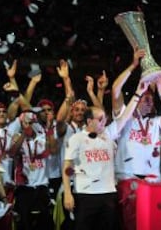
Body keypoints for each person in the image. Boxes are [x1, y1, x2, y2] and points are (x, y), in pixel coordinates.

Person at [62, 80, 150, 230]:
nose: (105, 121)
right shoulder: (76, 139)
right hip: (85, 194)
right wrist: (68, 194)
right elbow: (67, 168)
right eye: (100, 119)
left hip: (108, 193)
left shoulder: (108, 134)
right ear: (89, 121)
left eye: (105, 118)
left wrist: (138, 94)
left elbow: (125, 116)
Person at [112, 49, 161, 230]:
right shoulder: (125, 119)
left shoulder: (155, 122)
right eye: (145, 98)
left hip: (152, 182)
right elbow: (116, 90)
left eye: (151, 98)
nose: (149, 101)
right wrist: (133, 66)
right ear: (137, 99)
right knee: (131, 226)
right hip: (128, 179)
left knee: (152, 225)